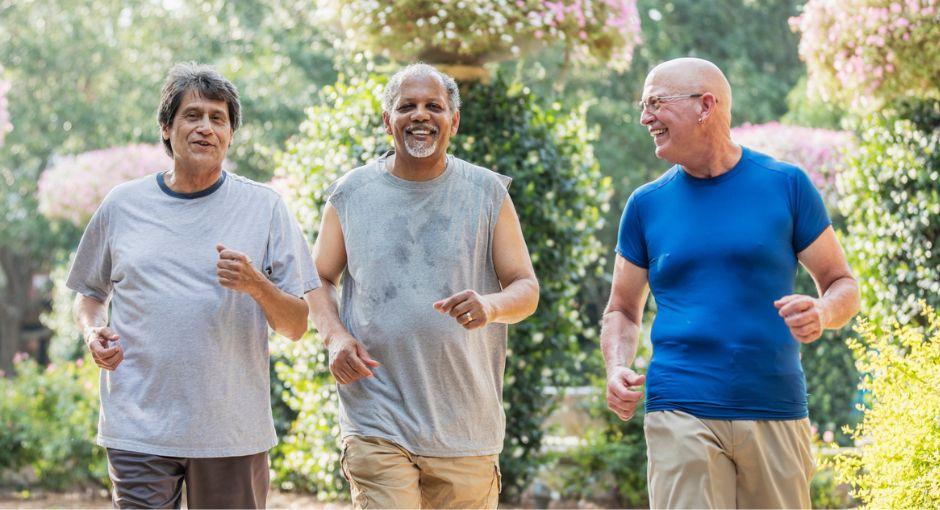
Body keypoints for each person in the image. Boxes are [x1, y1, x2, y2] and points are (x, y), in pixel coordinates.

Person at [601, 57, 860, 509]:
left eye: (656, 103)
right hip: (679, 403)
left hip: (774, 402)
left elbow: (842, 284)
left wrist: (823, 312)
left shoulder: (787, 186)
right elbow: (622, 308)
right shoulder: (645, 204)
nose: (645, 118)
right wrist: (616, 366)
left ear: (705, 106)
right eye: (643, 106)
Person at [67, 62, 318, 509]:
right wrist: (92, 330)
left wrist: (257, 285)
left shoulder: (264, 207)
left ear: (230, 133)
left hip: (230, 430)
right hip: (138, 425)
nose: (206, 128)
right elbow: (89, 295)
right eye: (193, 115)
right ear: (166, 128)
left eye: (217, 118)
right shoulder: (122, 205)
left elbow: (297, 324)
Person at [305, 63, 539, 509]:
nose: (420, 115)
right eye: (406, 106)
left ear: (454, 120)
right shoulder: (351, 194)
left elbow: (525, 288)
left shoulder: (488, 193)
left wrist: (490, 306)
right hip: (377, 417)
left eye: (434, 106)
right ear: (386, 119)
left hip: (466, 424)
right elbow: (317, 277)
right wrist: (335, 337)